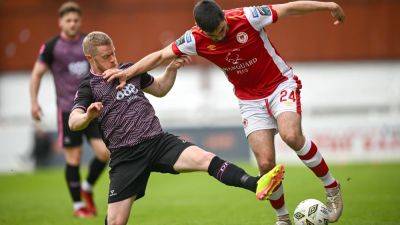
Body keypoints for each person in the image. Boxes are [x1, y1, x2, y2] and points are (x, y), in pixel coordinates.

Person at [103, 1, 346, 224]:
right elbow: (160, 55)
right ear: (201, 29)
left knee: (291, 136)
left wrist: (328, 5)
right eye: (213, 34)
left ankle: (331, 188)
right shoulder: (194, 38)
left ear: (224, 17)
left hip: (279, 84)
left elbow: (288, 8)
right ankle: (282, 218)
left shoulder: (248, 16)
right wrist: (128, 72)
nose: (220, 36)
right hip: (249, 99)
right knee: (265, 163)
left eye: (222, 29)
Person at [69, 31, 285, 225]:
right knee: (116, 222)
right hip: (126, 156)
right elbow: (73, 121)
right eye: (106, 56)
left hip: (158, 142)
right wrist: (88, 115)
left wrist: (171, 69)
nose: (113, 59)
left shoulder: (130, 70)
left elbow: (160, 89)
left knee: (205, 158)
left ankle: (256, 183)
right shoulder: (89, 86)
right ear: (90, 58)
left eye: (113, 53)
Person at [29, 1, 109, 218]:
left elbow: (102, 66)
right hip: (67, 111)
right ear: (60, 22)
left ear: (80, 21)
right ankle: (78, 207)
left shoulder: (87, 43)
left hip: (91, 108)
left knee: (104, 153)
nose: (72, 24)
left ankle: (87, 187)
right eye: (68, 20)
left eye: (76, 20)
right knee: (74, 158)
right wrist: (34, 102)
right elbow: (37, 74)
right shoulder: (52, 46)